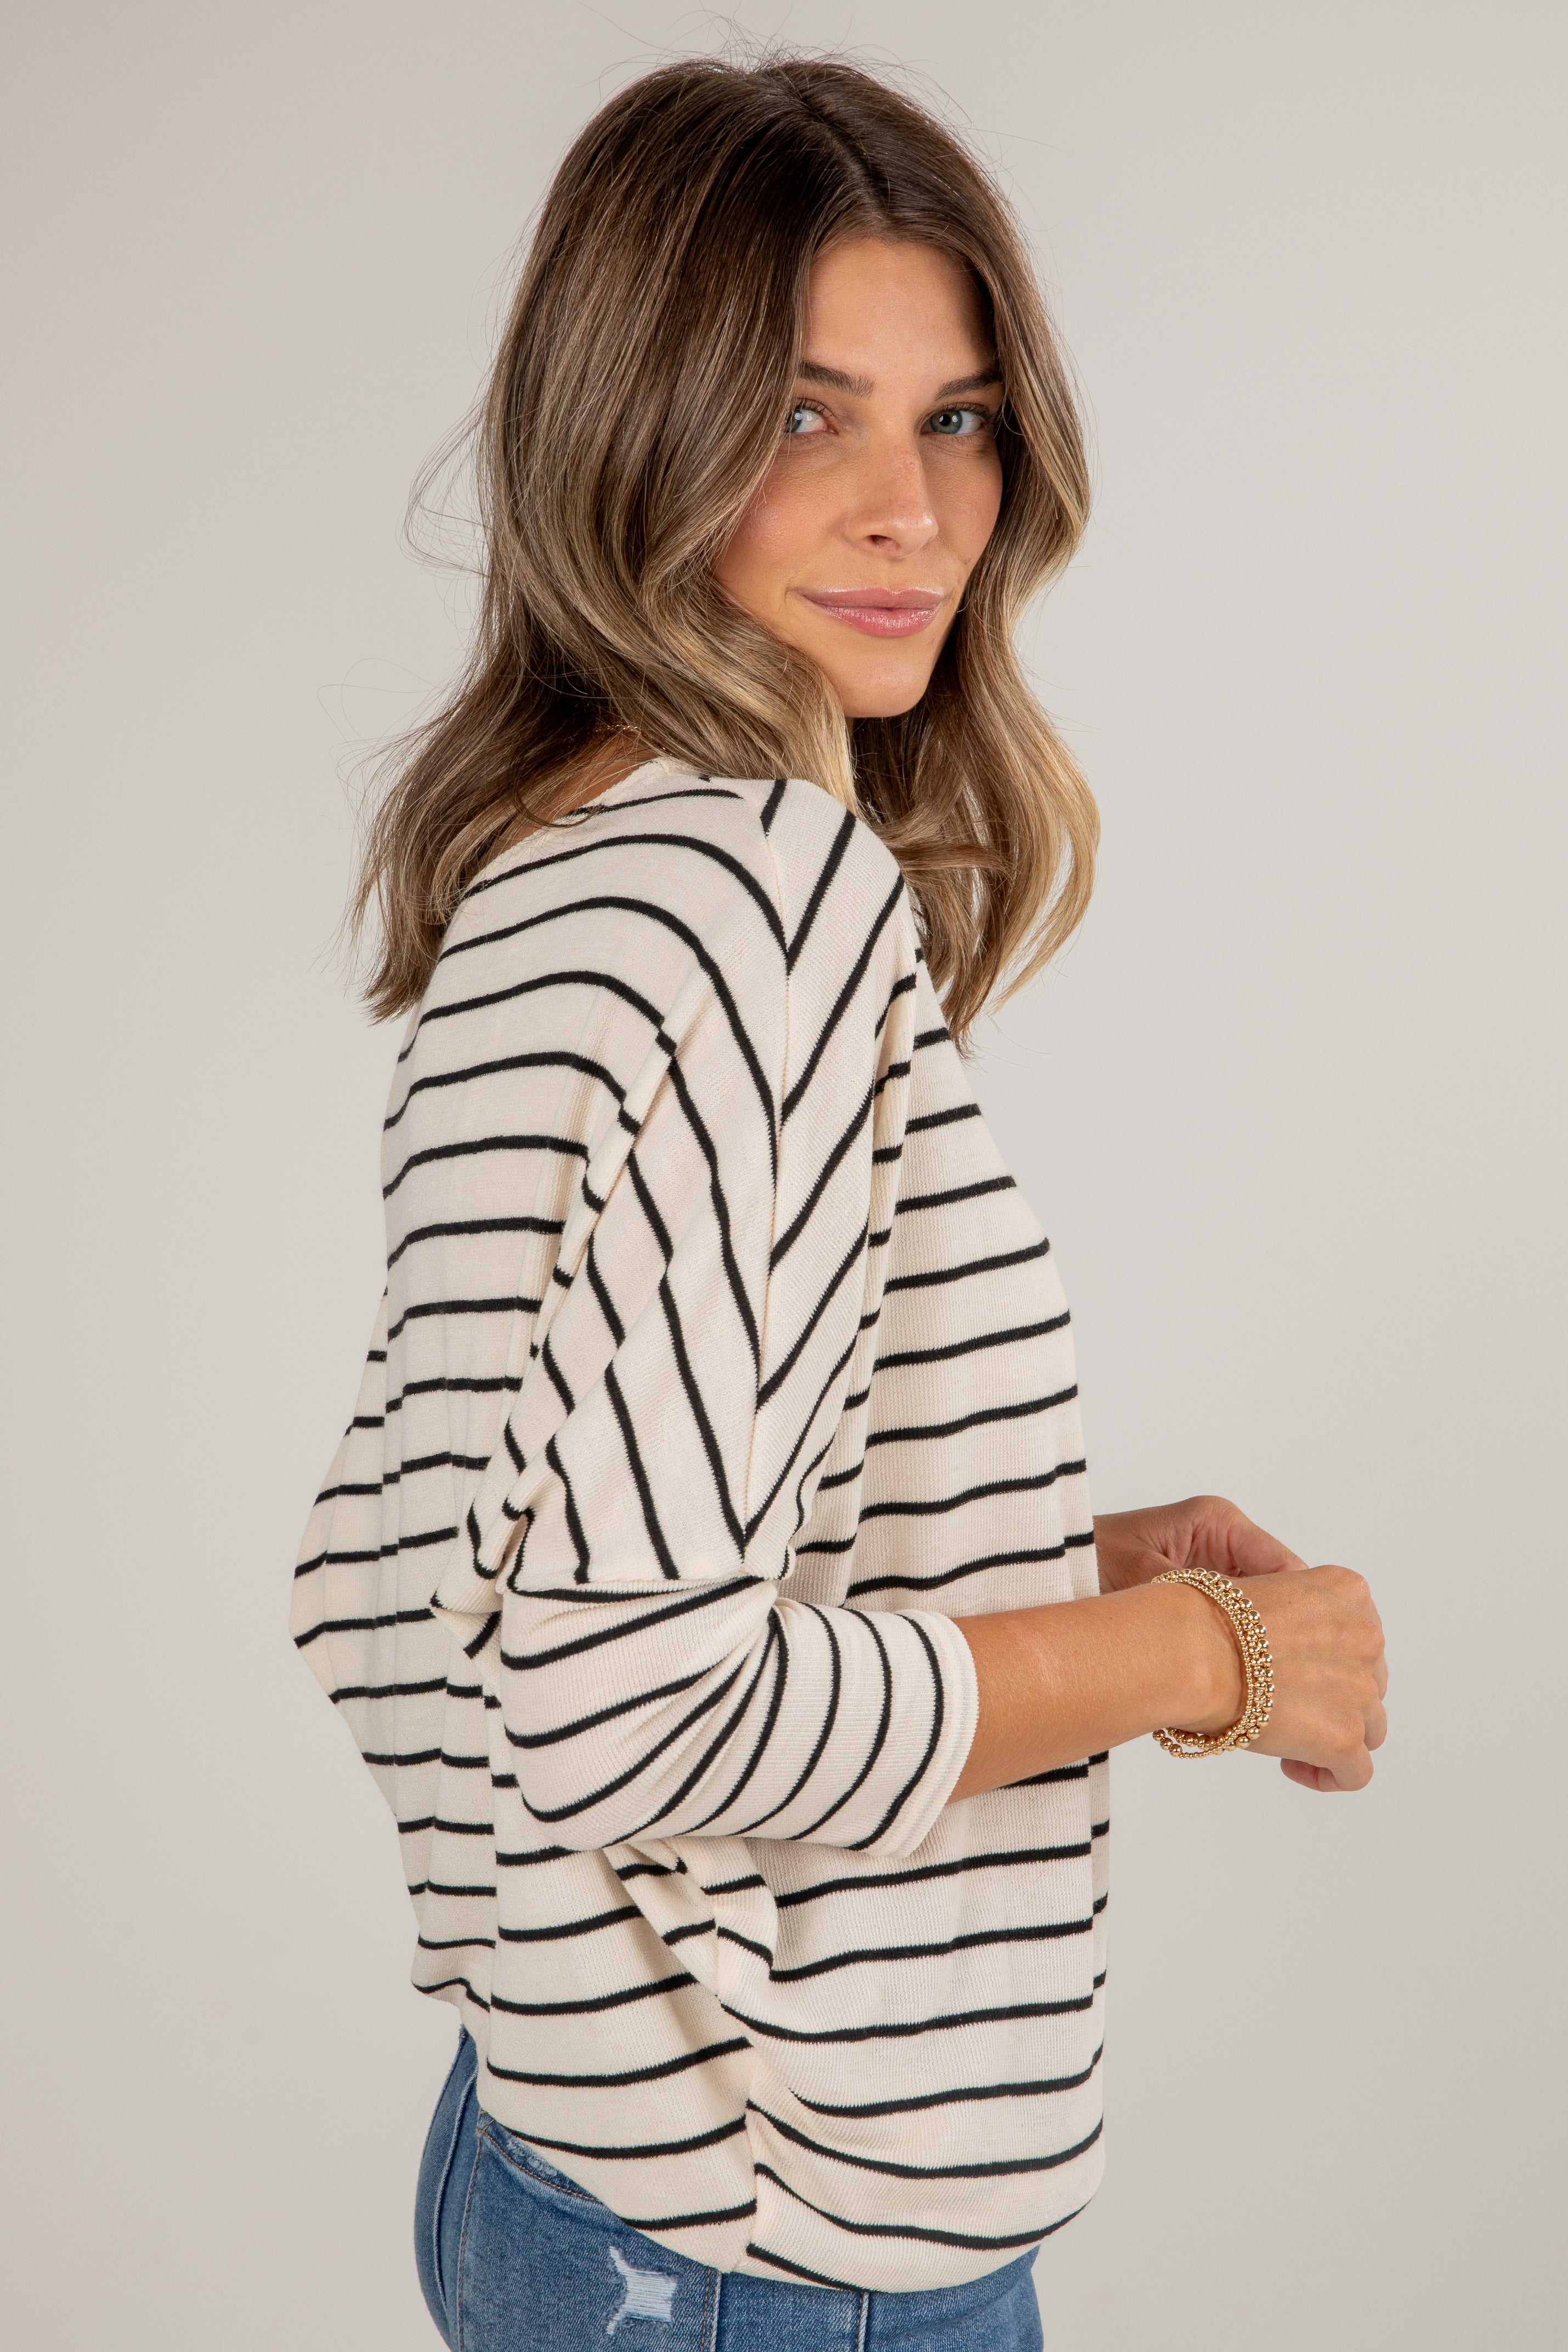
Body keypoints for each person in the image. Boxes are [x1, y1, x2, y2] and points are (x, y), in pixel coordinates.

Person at [291, 53, 1388, 2351]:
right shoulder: (756, 892)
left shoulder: (553, 874)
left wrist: (1067, 1561)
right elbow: (633, 1702)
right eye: (806, 415)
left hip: (576, 2172)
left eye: (958, 420)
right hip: (763, 2255)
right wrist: (1206, 1656)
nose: (911, 510)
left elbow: (463, 1588)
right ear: (632, 430)